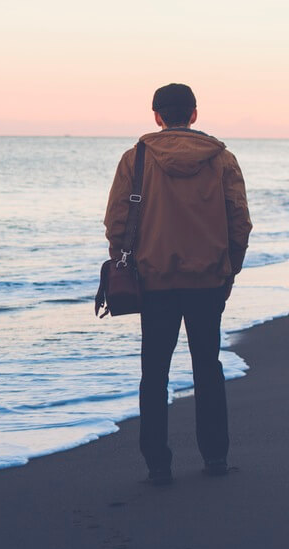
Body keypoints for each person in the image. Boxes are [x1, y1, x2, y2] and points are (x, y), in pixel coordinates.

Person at [104, 83, 252, 485]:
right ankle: (216, 459)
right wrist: (229, 269)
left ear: (156, 115)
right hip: (207, 280)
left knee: (154, 373)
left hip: (154, 281)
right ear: (194, 114)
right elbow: (240, 221)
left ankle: (157, 464)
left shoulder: (135, 159)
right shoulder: (222, 159)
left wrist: (127, 260)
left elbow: (117, 223)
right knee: (208, 368)